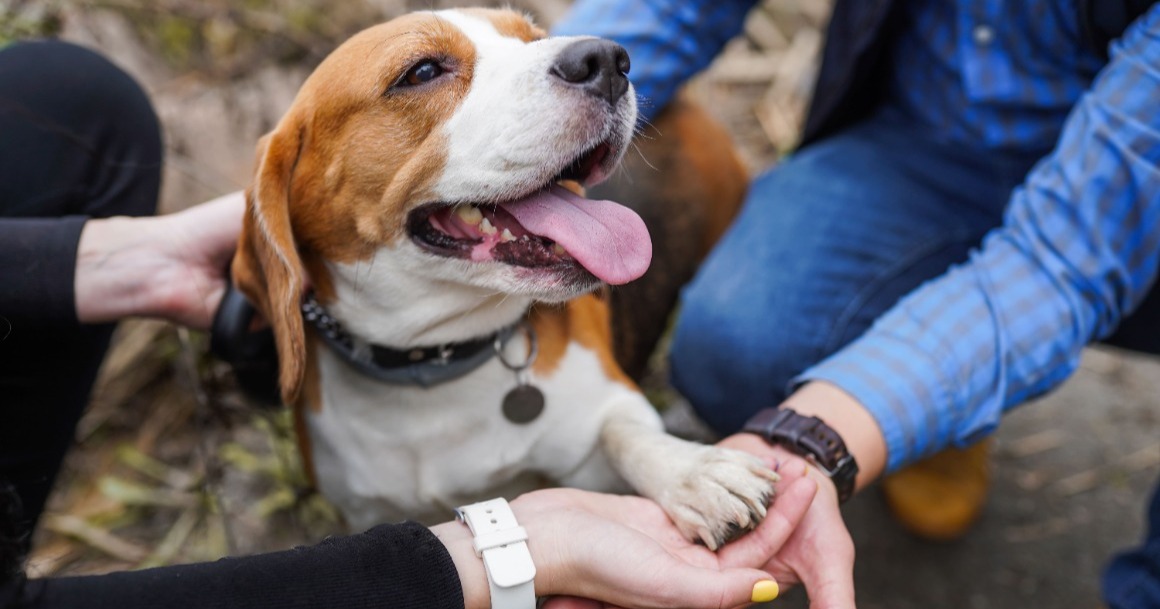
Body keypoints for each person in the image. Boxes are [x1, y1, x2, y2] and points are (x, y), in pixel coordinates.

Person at [0, 38, 831, 609]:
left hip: (682, 208)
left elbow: (614, 413)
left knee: (76, 99)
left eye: (521, 42)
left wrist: (643, 449)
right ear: (297, 195)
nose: (598, 62)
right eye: (427, 71)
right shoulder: (304, 345)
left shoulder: (560, 284)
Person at [553, 0, 1160, 608]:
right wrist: (532, 109)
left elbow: (1059, 262)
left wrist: (814, 437)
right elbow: (679, 8)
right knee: (734, 344)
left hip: (1134, 207)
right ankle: (936, 413)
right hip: (919, 149)